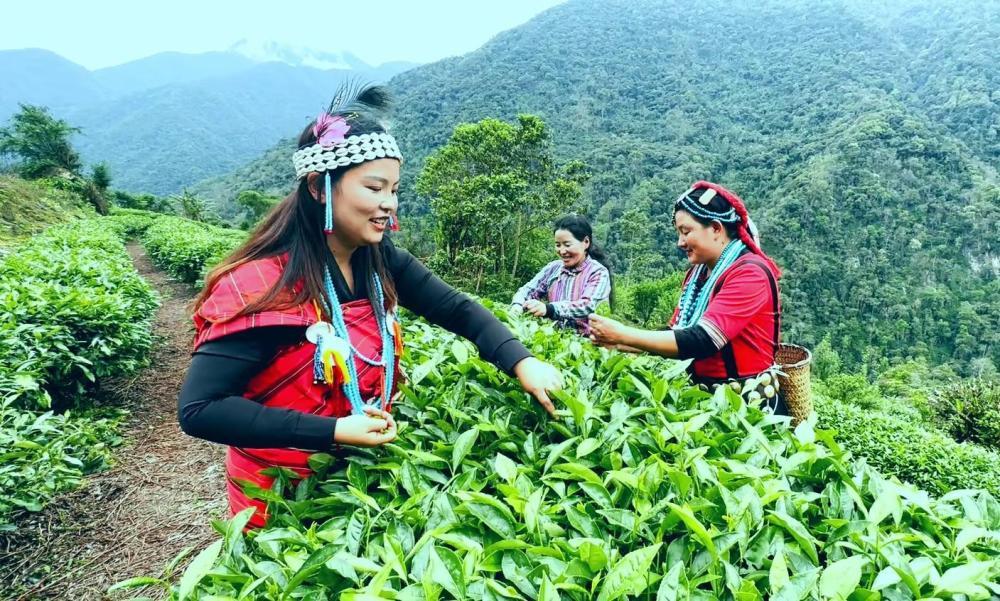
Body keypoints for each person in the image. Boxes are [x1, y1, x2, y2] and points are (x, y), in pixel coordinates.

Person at [177, 84, 563, 527]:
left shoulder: (379, 259)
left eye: (394, 189)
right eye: (374, 187)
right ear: (320, 188)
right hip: (277, 493)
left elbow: (457, 310)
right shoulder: (259, 284)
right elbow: (201, 409)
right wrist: (334, 431)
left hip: (358, 476)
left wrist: (523, 362)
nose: (389, 204)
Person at [588, 181, 784, 413]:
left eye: (686, 231)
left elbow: (703, 339)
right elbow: (678, 332)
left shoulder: (750, 272)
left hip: (749, 408)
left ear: (716, 228)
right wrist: (622, 343)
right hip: (704, 402)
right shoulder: (698, 274)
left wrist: (625, 334)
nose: (680, 242)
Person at [510, 215, 613, 335]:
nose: (562, 251)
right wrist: (517, 306)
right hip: (553, 339)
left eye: (567, 245)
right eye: (558, 245)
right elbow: (528, 290)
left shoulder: (598, 272)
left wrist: (549, 309)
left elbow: (587, 306)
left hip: (588, 343)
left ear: (586, 242)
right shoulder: (553, 268)